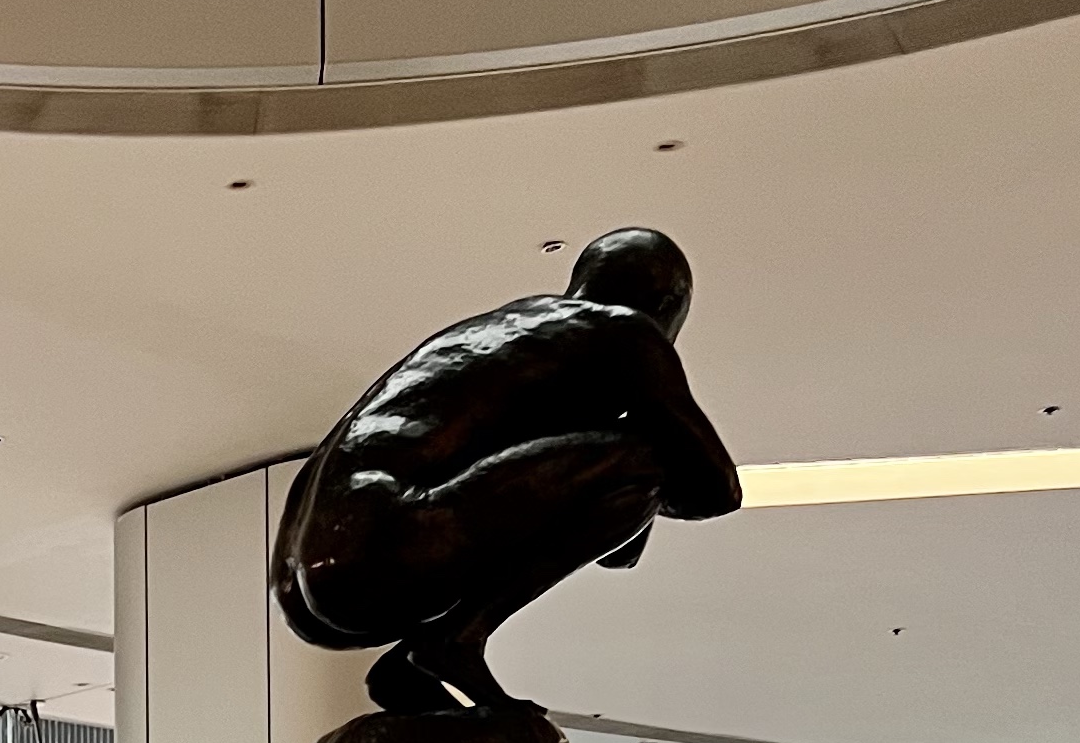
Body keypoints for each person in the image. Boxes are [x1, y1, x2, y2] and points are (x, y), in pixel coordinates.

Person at [269, 225, 743, 716]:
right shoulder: (623, 330)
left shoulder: (512, 331)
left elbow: (619, 550)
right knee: (645, 460)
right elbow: (717, 491)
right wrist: (652, 419)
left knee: (632, 466)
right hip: (383, 543)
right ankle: (456, 638)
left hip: (302, 591)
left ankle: (409, 667)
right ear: (669, 305)